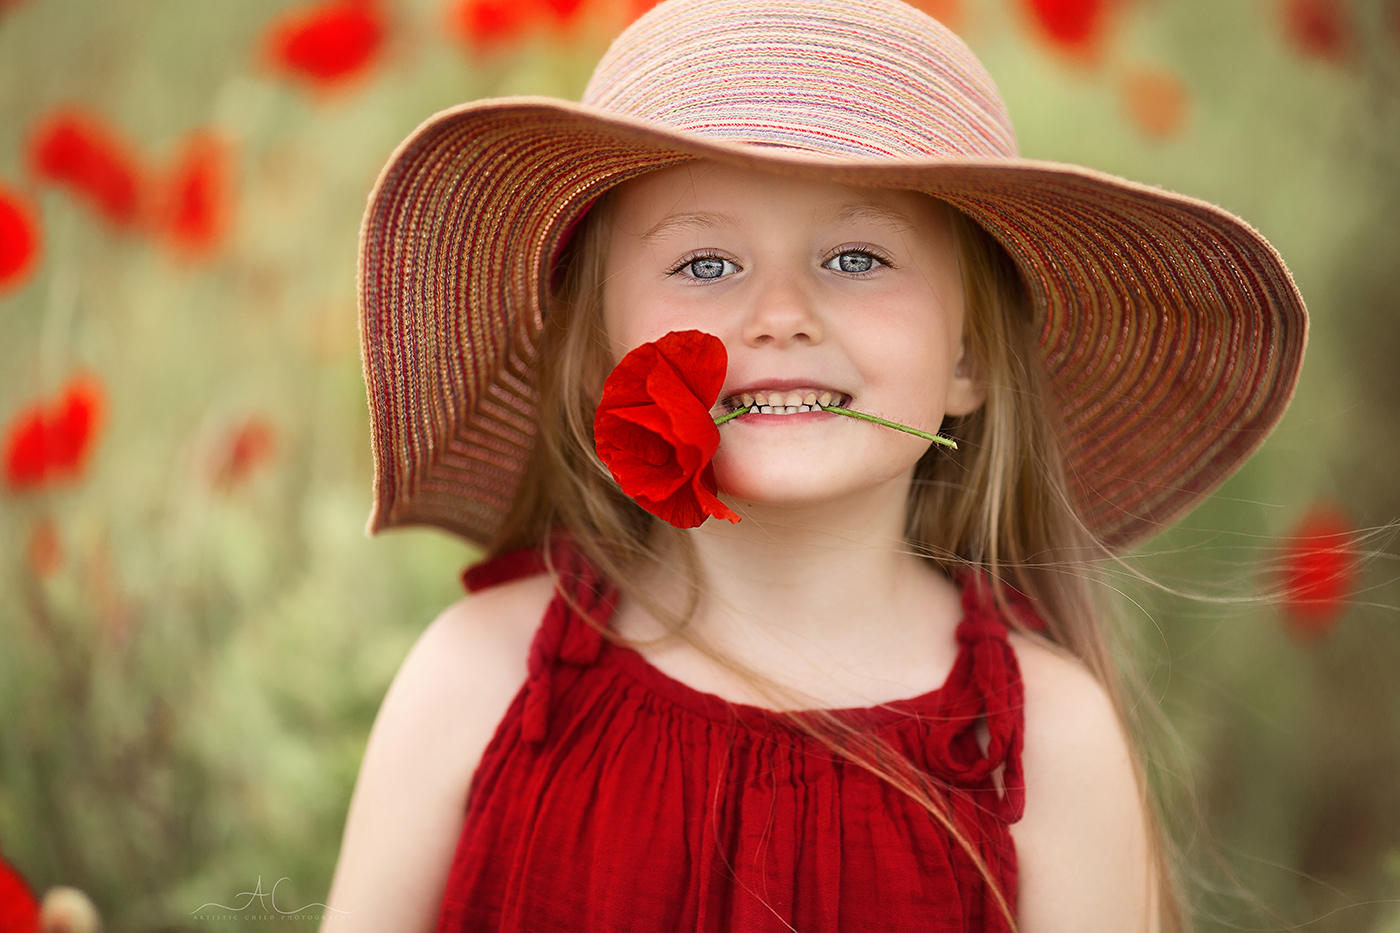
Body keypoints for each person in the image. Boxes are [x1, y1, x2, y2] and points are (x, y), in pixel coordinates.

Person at [325, 0, 1307, 929]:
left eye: (856, 258)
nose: (781, 314)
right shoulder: (480, 680)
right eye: (705, 264)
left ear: (967, 359)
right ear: (599, 357)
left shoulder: (1044, 746)